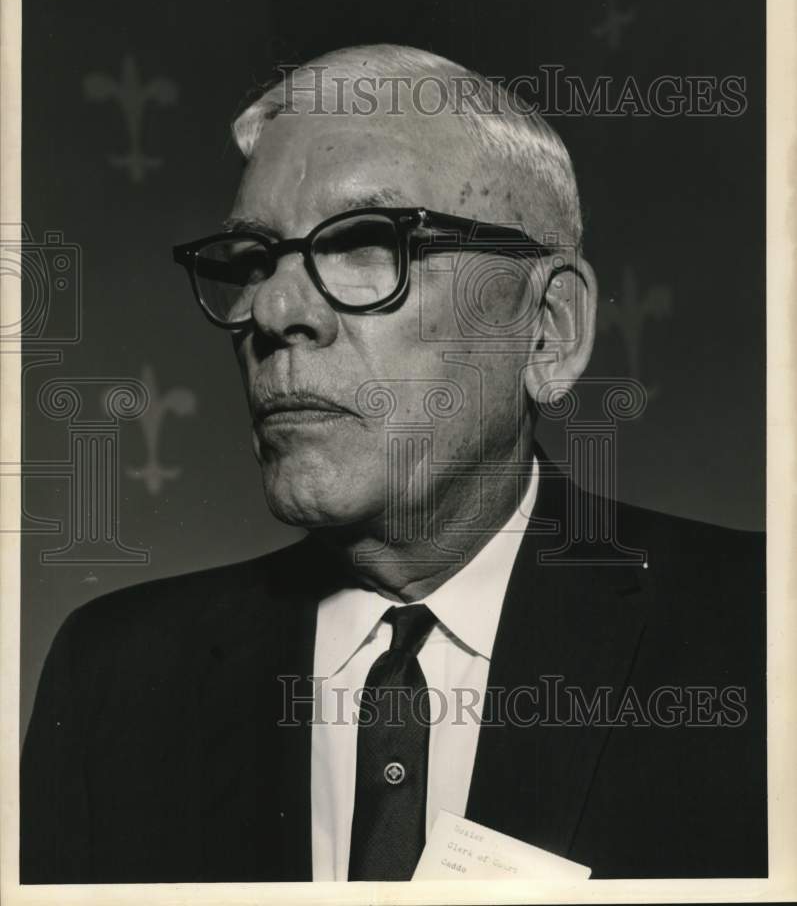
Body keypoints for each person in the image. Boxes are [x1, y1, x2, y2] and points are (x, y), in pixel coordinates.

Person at [21, 45, 766, 883]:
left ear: (549, 328)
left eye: (367, 244)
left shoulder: (761, 636)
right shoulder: (118, 677)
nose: (272, 309)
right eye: (254, 260)